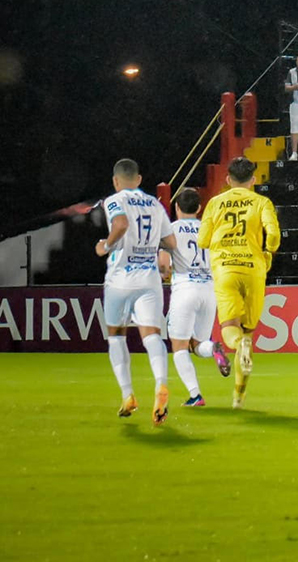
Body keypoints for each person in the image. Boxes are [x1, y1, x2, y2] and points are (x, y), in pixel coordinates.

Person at [96, 158, 179, 423]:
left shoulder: (114, 200)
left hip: (120, 279)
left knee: (116, 337)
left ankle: (127, 394)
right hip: (149, 280)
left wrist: (105, 246)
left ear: (115, 181)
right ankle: (161, 384)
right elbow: (171, 242)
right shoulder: (155, 204)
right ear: (139, 179)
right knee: (152, 336)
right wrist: (153, 247)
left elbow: (120, 225)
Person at [198, 156, 281, 409]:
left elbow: (203, 240)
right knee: (247, 331)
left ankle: (238, 346)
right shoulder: (262, 202)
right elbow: (273, 234)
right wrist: (268, 251)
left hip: (225, 269)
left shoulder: (215, 202)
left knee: (230, 327)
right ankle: (238, 396)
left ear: (227, 179)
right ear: (253, 180)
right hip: (253, 269)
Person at [164, 187, 230, 408]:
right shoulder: (211, 230)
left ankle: (195, 395)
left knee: (179, 346)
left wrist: (164, 273)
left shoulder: (170, 230)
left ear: (176, 207)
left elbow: (163, 266)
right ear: (200, 208)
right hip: (209, 290)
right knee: (198, 345)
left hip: (185, 289)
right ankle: (213, 349)